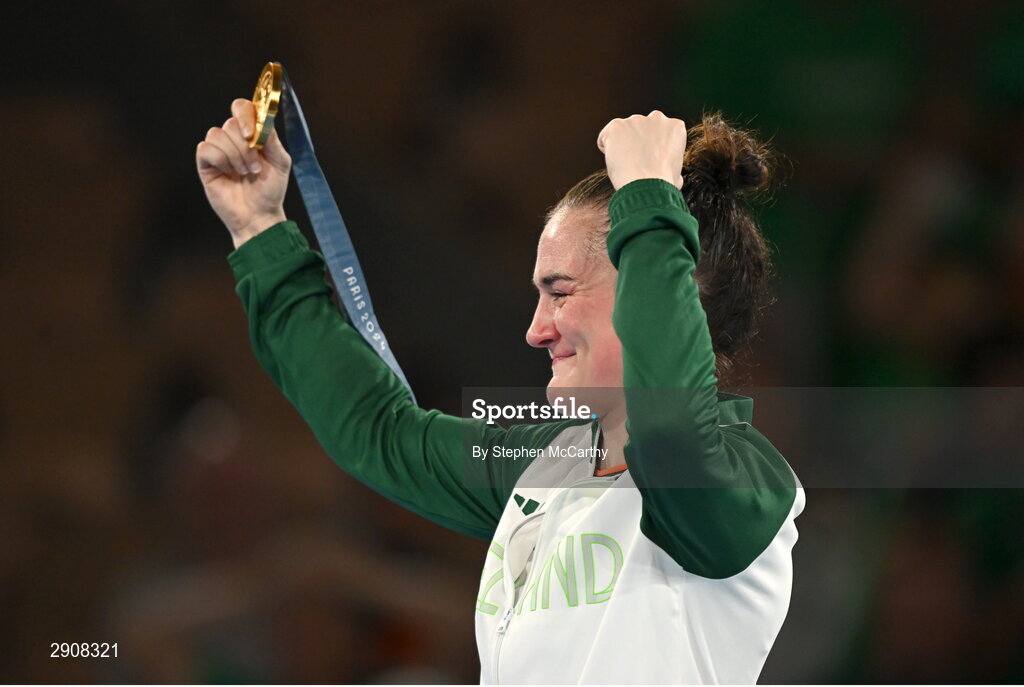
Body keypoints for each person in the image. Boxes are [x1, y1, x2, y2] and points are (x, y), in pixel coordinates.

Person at [197, 100, 805, 684]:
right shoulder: (545, 466)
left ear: (671, 282)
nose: (536, 331)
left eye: (561, 291)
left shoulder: (747, 483)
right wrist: (259, 231)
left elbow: (672, 434)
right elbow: (379, 432)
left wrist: (649, 195)